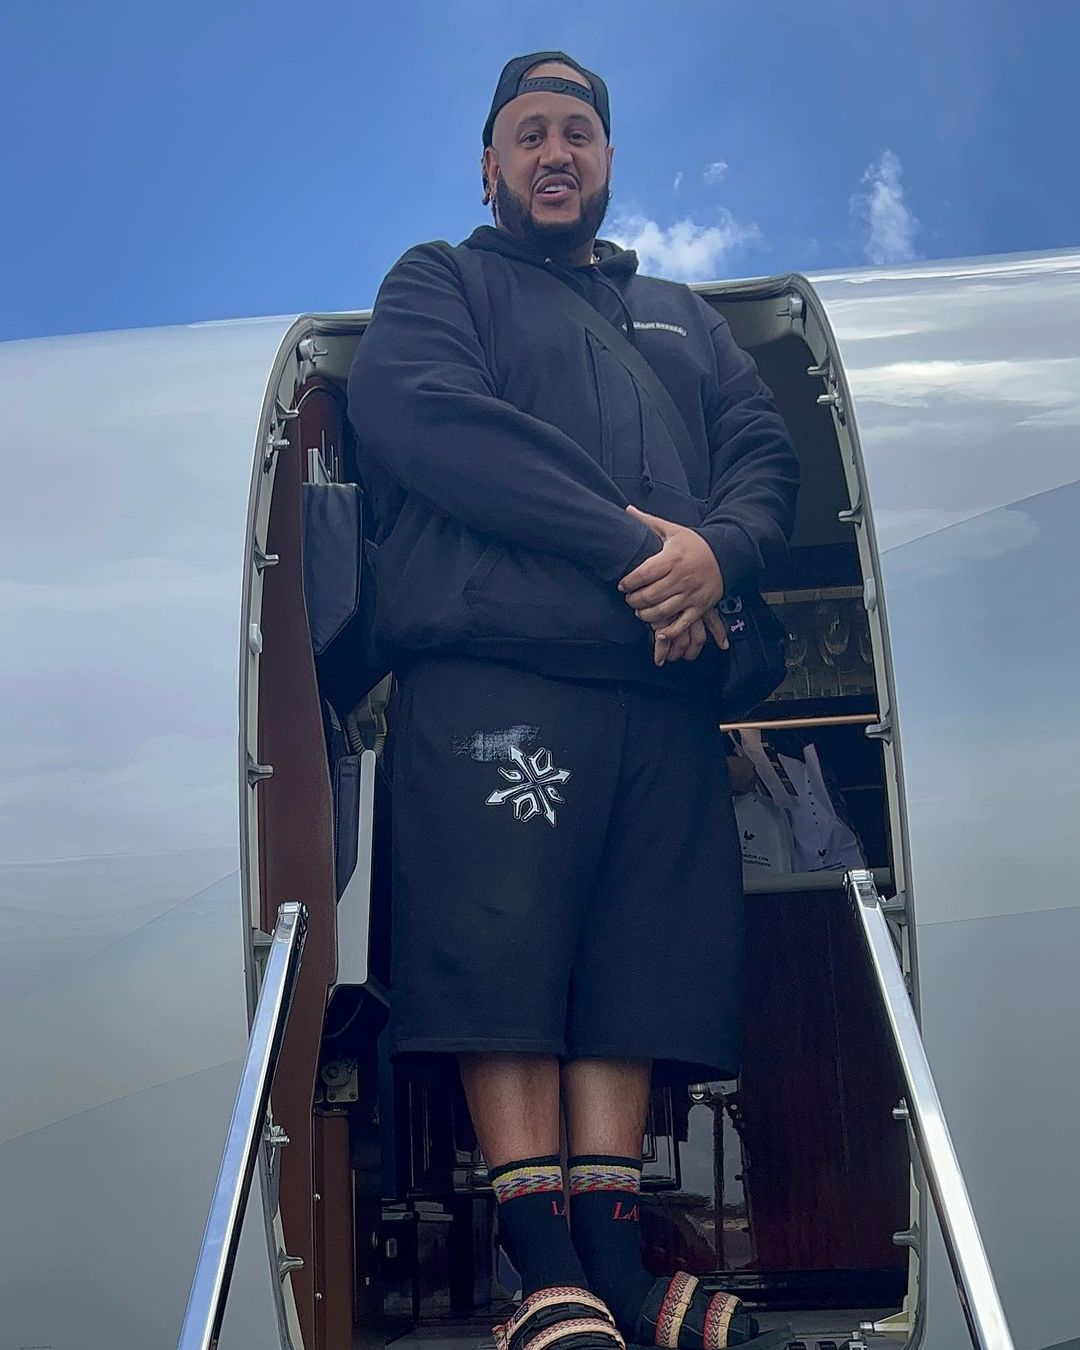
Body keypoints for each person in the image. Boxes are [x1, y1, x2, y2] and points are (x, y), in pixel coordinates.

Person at [348, 50, 799, 1350]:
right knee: (504, 961)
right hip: (499, 670)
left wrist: (720, 552)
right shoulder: (439, 282)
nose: (556, 153)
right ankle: (536, 1261)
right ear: (489, 165)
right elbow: (432, 422)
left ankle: (613, 1265)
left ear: (607, 160)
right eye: (530, 133)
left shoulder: (683, 317)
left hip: (658, 692)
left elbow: (761, 454)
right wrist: (644, 550)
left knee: (629, 973)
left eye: (578, 133)